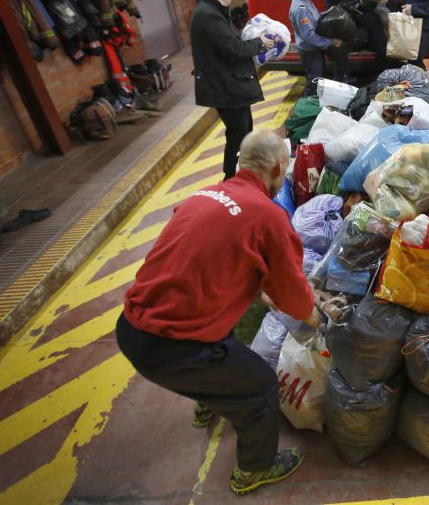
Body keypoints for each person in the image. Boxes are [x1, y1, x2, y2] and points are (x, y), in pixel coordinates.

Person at [116, 130, 321, 497]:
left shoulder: (205, 194)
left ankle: (206, 404)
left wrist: (260, 290)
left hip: (132, 327)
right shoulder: (268, 218)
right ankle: (253, 470)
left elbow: (212, 257)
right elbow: (295, 300)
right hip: (175, 348)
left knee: (232, 330)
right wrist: (314, 317)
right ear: (278, 167)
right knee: (259, 384)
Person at [191, 0, 274, 180]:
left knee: (244, 130)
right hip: (225, 87)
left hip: (229, 85)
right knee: (238, 134)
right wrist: (259, 43)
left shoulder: (212, 11)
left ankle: (243, 174)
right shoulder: (209, 16)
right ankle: (231, 178)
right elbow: (233, 49)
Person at [289, 0, 342, 94]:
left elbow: (315, 19)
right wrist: (330, 42)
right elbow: (309, 35)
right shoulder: (300, 8)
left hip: (314, 50)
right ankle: (307, 109)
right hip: (310, 52)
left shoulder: (306, 1)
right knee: (314, 83)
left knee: (318, 81)